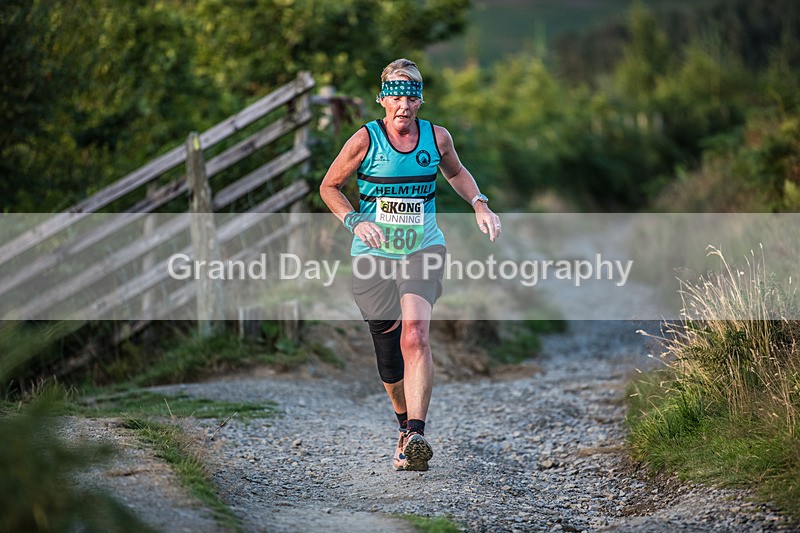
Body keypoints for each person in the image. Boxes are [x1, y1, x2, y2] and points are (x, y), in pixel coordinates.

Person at [319, 58, 501, 471]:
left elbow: (456, 173)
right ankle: (403, 424)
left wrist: (479, 203)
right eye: (396, 95)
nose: (403, 104)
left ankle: (417, 432)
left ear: (420, 101)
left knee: (415, 335)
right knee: (387, 350)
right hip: (373, 255)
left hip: (422, 248)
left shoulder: (436, 139)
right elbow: (329, 187)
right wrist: (354, 220)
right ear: (382, 99)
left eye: (411, 95)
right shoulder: (364, 140)